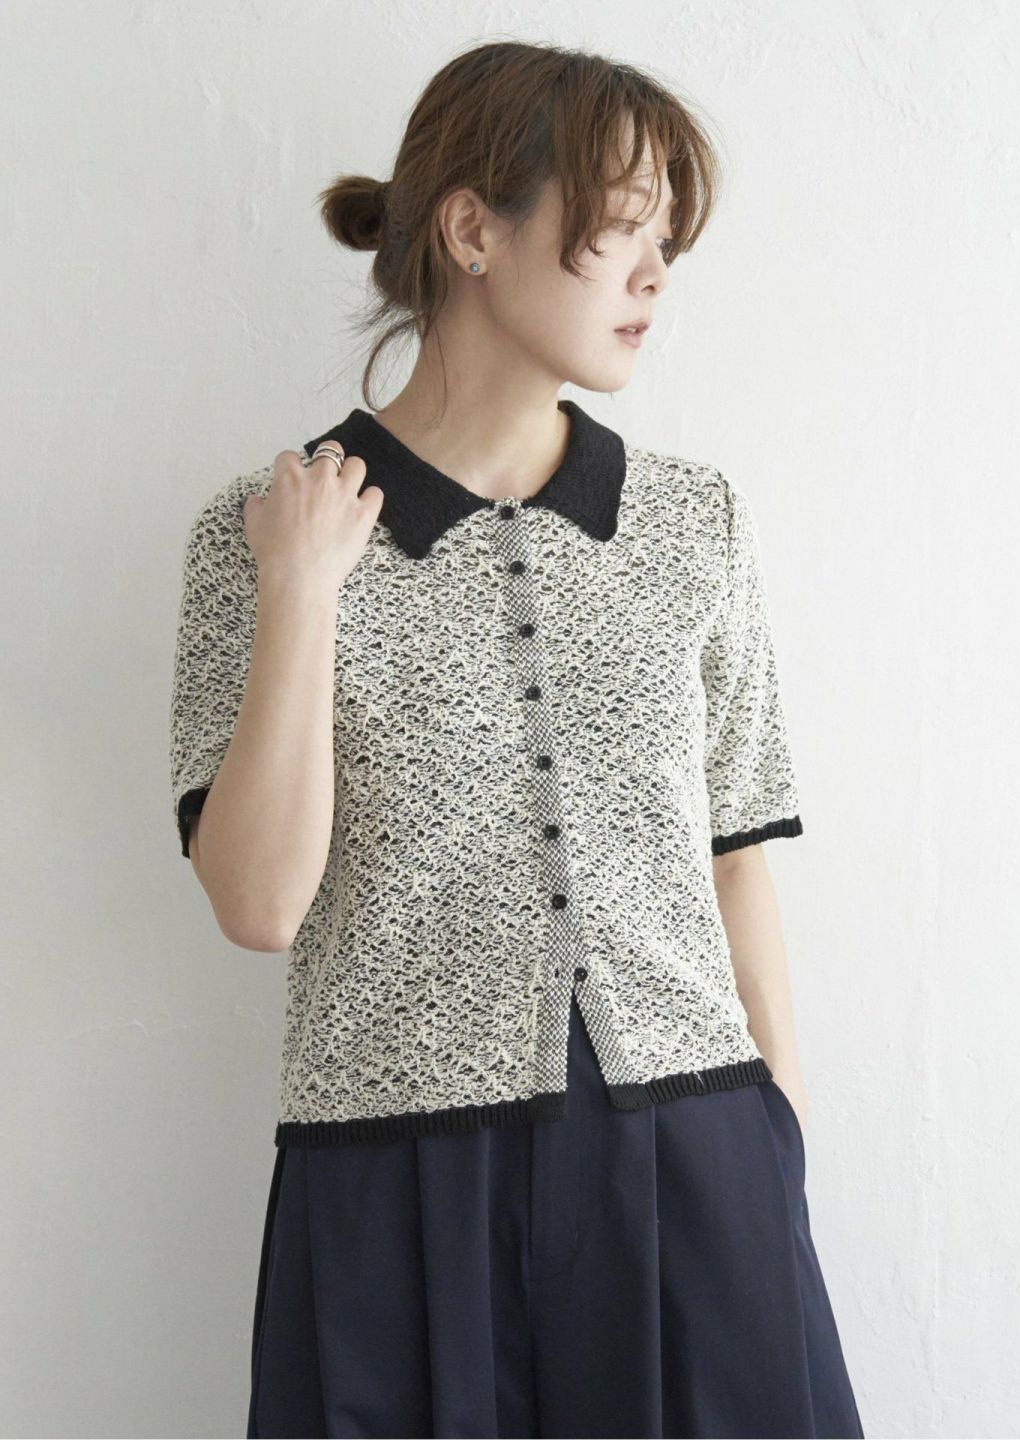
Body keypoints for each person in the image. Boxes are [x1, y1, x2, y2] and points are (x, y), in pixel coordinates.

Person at [169, 37, 865, 1440]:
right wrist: (304, 593)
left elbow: (737, 858)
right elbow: (257, 905)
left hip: (692, 1160)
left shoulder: (693, 521)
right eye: (624, 230)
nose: (656, 276)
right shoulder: (262, 534)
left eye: (670, 242)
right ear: (474, 230)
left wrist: (776, 1146)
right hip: (396, 1185)